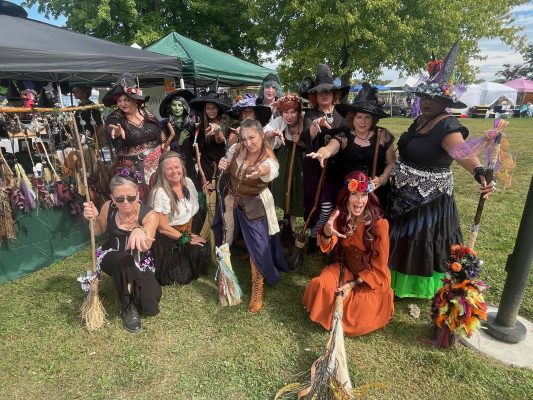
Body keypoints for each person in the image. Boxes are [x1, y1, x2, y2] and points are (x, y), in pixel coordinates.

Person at [389, 41, 496, 299]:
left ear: (444, 102)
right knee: (401, 239)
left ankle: (417, 287)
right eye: (425, 96)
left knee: (420, 240)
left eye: (434, 98)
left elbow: (460, 151)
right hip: (403, 195)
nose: (427, 102)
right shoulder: (420, 120)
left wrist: (478, 170)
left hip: (429, 201)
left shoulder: (446, 125)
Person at [303, 171, 394, 336]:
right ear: (346, 196)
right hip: (347, 270)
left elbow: (380, 267)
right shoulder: (339, 216)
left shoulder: (379, 225)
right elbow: (326, 245)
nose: (360, 201)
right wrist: (327, 230)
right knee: (322, 285)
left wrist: (352, 285)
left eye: (364, 195)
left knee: (362, 307)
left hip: (372, 278)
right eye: (354, 195)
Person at [218, 119, 289, 313]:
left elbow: (271, 170)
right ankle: (225, 280)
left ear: (260, 135)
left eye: (252, 137)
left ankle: (258, 286)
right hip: (232, 198)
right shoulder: (236, 149)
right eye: (244, 138)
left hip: (254, 203)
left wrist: (261, 170)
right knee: (224, 237)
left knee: (259, 247)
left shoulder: (268, 157)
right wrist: (223, 163)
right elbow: (226, 163)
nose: (249, 143)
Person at [82, 168, 160, 333]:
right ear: (112, 198)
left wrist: (141, 231)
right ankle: (127, 306)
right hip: (112, 256)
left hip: (140, 260)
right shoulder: (107, 207)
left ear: (138, 195)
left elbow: (146, 246)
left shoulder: (150, 215)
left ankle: (135, 288)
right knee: (123, 260)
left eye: (131, 197)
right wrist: (93, 219)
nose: (125, 202)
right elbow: (98, 230)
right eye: (119, 198)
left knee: (150, 306)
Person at [307, 83, 395, 212]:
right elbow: (330, 148)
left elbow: (392, 162)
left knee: (373, 226)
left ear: (373, 119)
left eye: (367, 117)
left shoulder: (383, 135)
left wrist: (382, 179)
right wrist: (322, 153)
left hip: (376, 193)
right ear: (352, 118)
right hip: (350, 195)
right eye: (359, 117)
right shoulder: (344, 137)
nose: (362, 122)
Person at [300, 64, 349, 248]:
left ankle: (318, 235)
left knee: (328, 203)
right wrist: (315, 125)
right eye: (320, 92)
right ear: (314, 95)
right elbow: (306, 138)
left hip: (335, 168)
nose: (324, 94)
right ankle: (313, 235)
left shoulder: (341, 116)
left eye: (328, 91)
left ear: (334, 94)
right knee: (314, 202)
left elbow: (345, 139)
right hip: (313, 167)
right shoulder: (310, 114)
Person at [148, 151, 212, 285]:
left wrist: (205, 193)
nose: (174, 171)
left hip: (188, 229)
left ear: (182, 168)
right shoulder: (159, 193)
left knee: (203, 248)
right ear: (162, 172)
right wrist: (187, 239)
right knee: (180, 276)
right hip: (169, 239)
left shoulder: (188, 182)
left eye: (177, 167)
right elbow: (163, 228)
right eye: (169, 168)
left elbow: (192, 205)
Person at [103, 73, 166, 190]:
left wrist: (164, 143)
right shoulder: (115, 117)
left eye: (126, 99)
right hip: (134, 173)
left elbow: (160, 131)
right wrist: (115, 133)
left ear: (135, 99)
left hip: (159, 169)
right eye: (119, 100)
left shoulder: (147, 113)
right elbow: (110, 127)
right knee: (143, 205)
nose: (122, 104)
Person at [263, 93, 305, 234]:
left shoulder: (304, 120)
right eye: (286, 112)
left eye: (293, 112)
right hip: (283, 161)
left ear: (298, 112)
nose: (289, 116)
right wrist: (274, 133)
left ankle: (295, 233)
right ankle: (279, 230)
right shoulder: (280, 121)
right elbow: (265, 132)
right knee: (280, 192)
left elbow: (312, 141)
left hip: (300, 163)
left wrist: (300, 141)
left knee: (296, 194)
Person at [158, 89, 199, 190]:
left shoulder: (191, 124)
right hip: (173, 162)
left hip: (189, 161)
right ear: (170, 108)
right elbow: (164, 148)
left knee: (191, 185)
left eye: (180, 105)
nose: (177, 108)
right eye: (174, 105)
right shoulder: (166, 125)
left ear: (185, 107)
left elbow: (194, 145)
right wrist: (179, 141)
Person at [189, 91, 232, 183]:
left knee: (217, 192)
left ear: (218, 109)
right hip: (204, 166)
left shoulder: (223, 123)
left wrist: (217, 129)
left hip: (218, 165)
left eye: (214, 108)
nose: (211, 111)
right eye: (208, 108)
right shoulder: (201, 125)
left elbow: (220, 140)